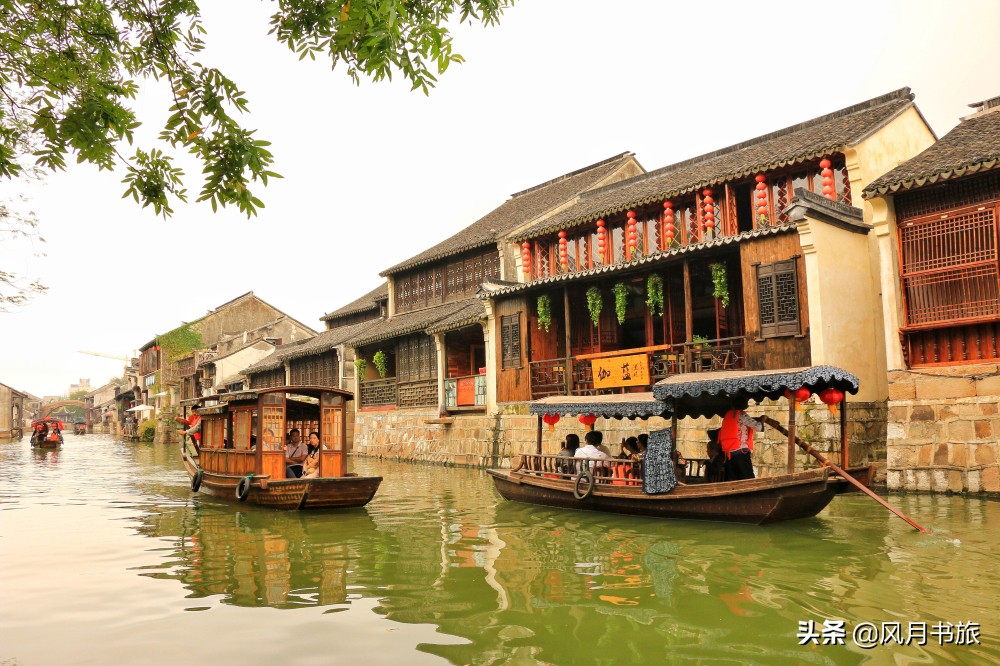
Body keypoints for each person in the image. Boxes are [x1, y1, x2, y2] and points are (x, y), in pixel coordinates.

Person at [719, 407, 764, 481]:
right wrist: (762, 420)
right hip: (741, 452)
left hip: (729, 454)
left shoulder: (727, 416)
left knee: (733, 481)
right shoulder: (742, 415)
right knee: (747, 479)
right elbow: (759, 427)